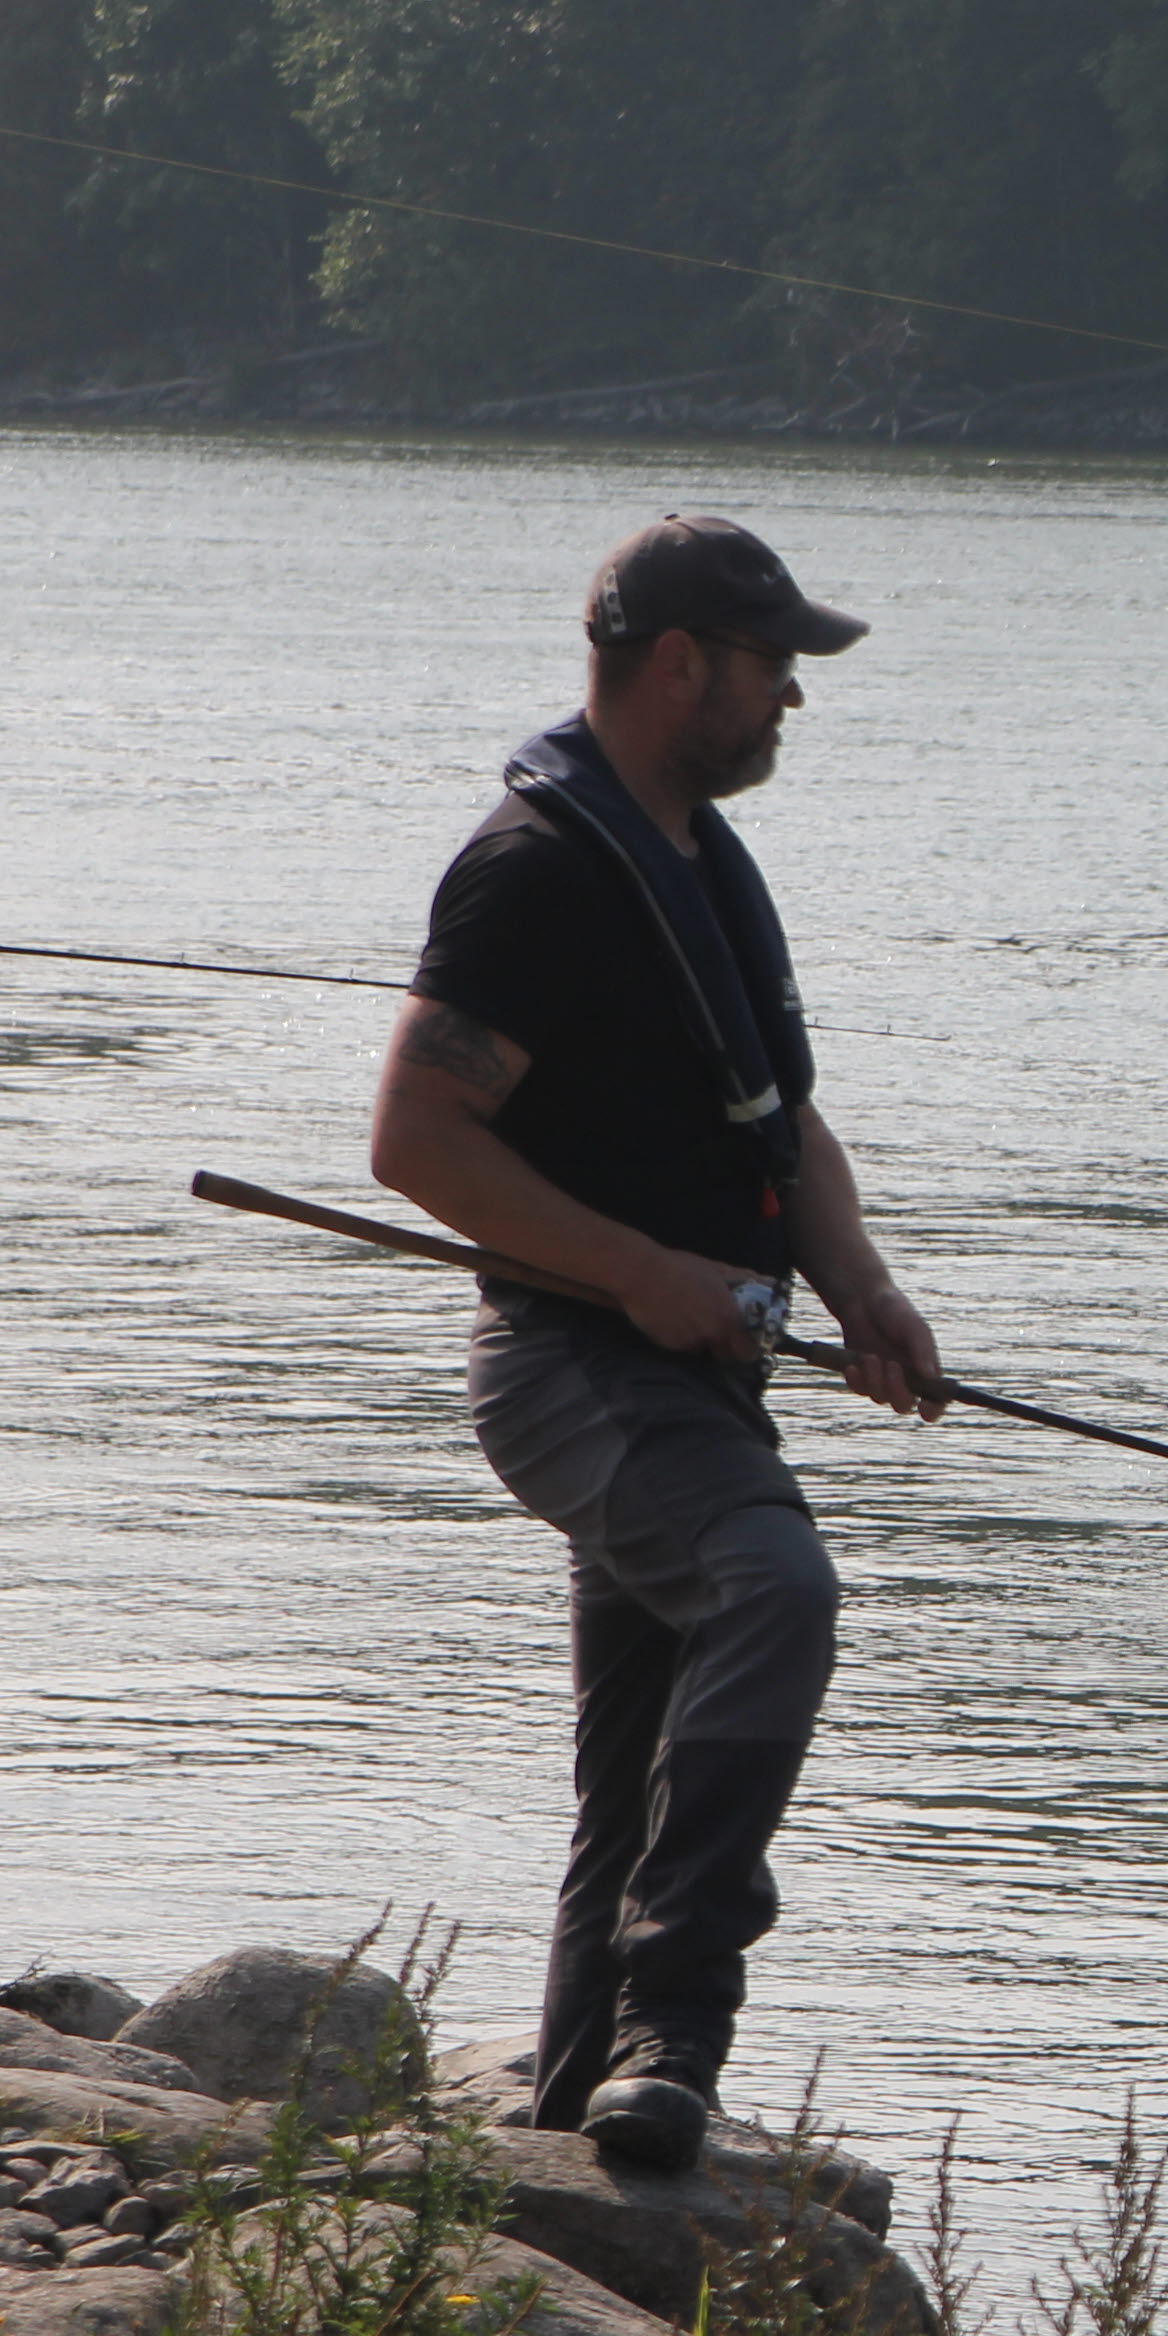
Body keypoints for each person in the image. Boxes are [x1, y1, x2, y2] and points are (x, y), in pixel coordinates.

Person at [369, 514, 945, 2175]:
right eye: (773, 670)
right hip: (569, 1370)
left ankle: (569, 2137)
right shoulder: (538, 867)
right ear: (679, 664)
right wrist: (635, 1271)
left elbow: (784, 1122)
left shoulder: (699, 855)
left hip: (690, 1381)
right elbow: (414, 1140)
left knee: (626, 1791)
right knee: (777, 1588)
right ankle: (676, 2028)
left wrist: (863, 1294)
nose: (789, 704)